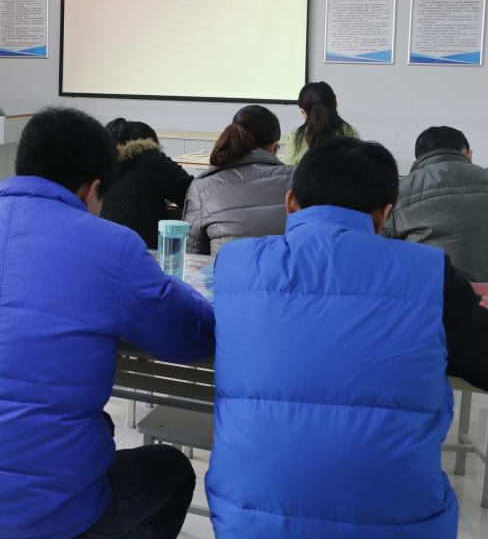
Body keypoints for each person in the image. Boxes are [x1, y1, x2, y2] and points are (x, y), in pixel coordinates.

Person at [0, 107, 215, 539]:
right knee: (171, 471)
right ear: (94, 189)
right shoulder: (113, 248)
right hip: (51, 516)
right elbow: (191, 336)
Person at [206, 137, 488, 537]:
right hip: (398, 527)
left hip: (246, 522)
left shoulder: (235, 263)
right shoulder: (430, 272)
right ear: (383, 216)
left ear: (290, 203)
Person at [183, 105, 294, 255]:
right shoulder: (298, 178)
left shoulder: (202, 186)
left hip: (227, 270)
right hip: (285, 269)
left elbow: (192, 254)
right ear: (274, 146)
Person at [383, 126, 488, 281]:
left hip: (429, 289)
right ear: (468, 154)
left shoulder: (398, 190)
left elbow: (382, 248)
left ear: (417, 159)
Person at [100, 118, 193, 249]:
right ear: (150, 144)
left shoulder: (95, 163)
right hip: (145, 250)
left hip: (99, 246)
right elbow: (193, 195)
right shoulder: (152, 159)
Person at [282, 80, 358, 165]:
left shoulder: (296, 137)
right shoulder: (351, 133)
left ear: (303, 112)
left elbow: (287, 170)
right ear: (336, 104)